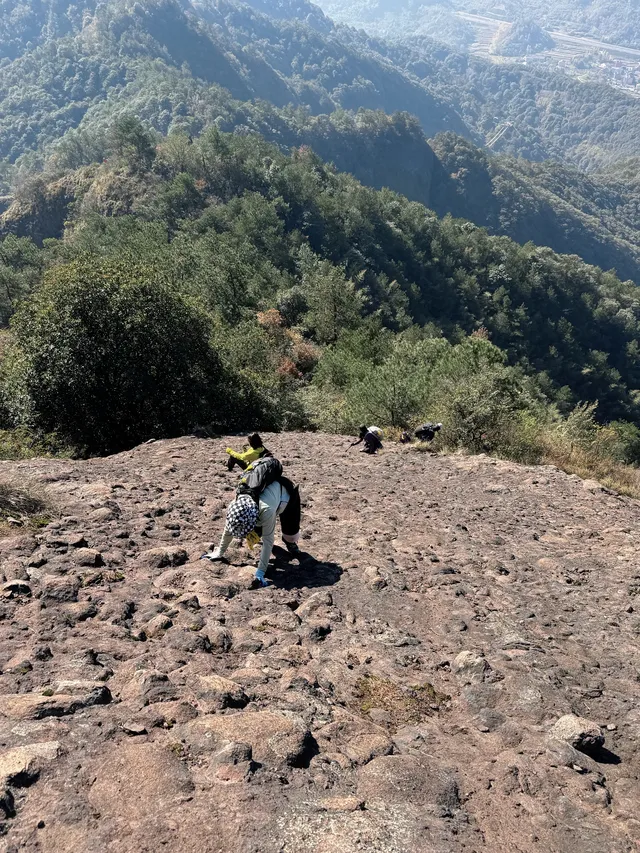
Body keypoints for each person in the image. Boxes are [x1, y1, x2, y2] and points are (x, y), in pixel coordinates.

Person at [203, 468, 301, 588]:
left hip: (286, 497)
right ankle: (259, 531)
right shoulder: (237, 503)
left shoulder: (266, 511)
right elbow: (229, 527)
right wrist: (219, 552)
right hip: (264, 504)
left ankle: (290, 543)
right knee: (255, 531)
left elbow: (268, 541)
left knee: (290, 534)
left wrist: (260, 572)